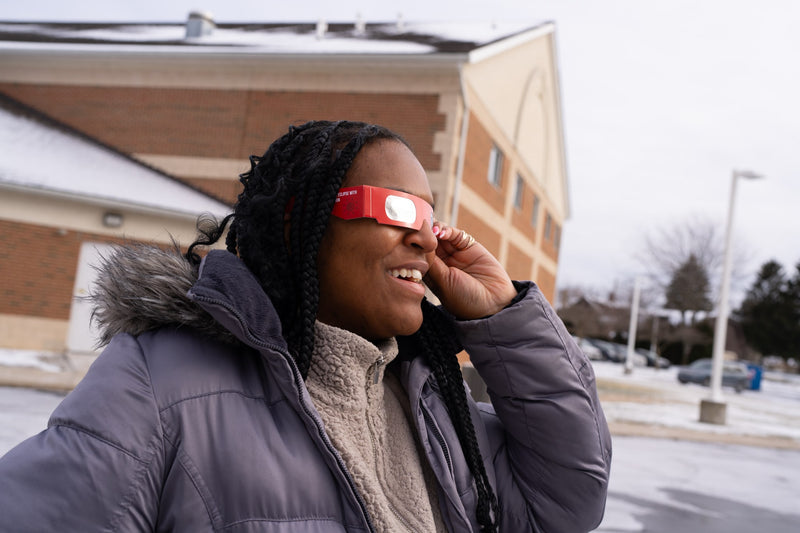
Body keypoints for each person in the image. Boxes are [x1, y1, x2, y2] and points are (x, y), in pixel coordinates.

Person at [0, 121, 611, 532]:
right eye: (397, 208)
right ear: (303, 224)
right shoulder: (156, 383)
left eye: (429, 214)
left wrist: (501, 316)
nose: (425, 236)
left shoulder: (434, 405)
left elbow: (568, 500)